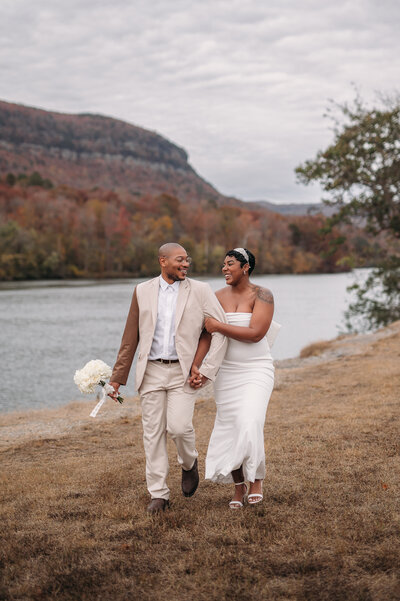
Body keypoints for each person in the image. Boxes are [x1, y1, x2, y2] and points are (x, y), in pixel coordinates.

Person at [108, 243, 227, 514]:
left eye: (187, 261)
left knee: (179, 427)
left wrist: (206, 370)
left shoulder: (201, 290)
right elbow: (130, 338)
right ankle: (159, 494)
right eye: (179, 260)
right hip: (150, 371)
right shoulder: (142, 290)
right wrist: (117, 378)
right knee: (152, 435)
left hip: (182, 373)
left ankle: (189, 463)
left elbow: (220, 330)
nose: (185, 265)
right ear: (163, 261)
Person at [191, 248, 277, 509]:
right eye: (223, 265)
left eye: (230, 264)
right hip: (226, 372)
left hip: (256, 369)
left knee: (250, 420)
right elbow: (206, 336)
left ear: (246, 267)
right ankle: (238, 487)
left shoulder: (263, 295)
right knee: (231, 427)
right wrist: (197, 366)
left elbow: (255, 333)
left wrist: (219, 326)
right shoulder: (215, 297)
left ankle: (257, 480)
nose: (224, 269)